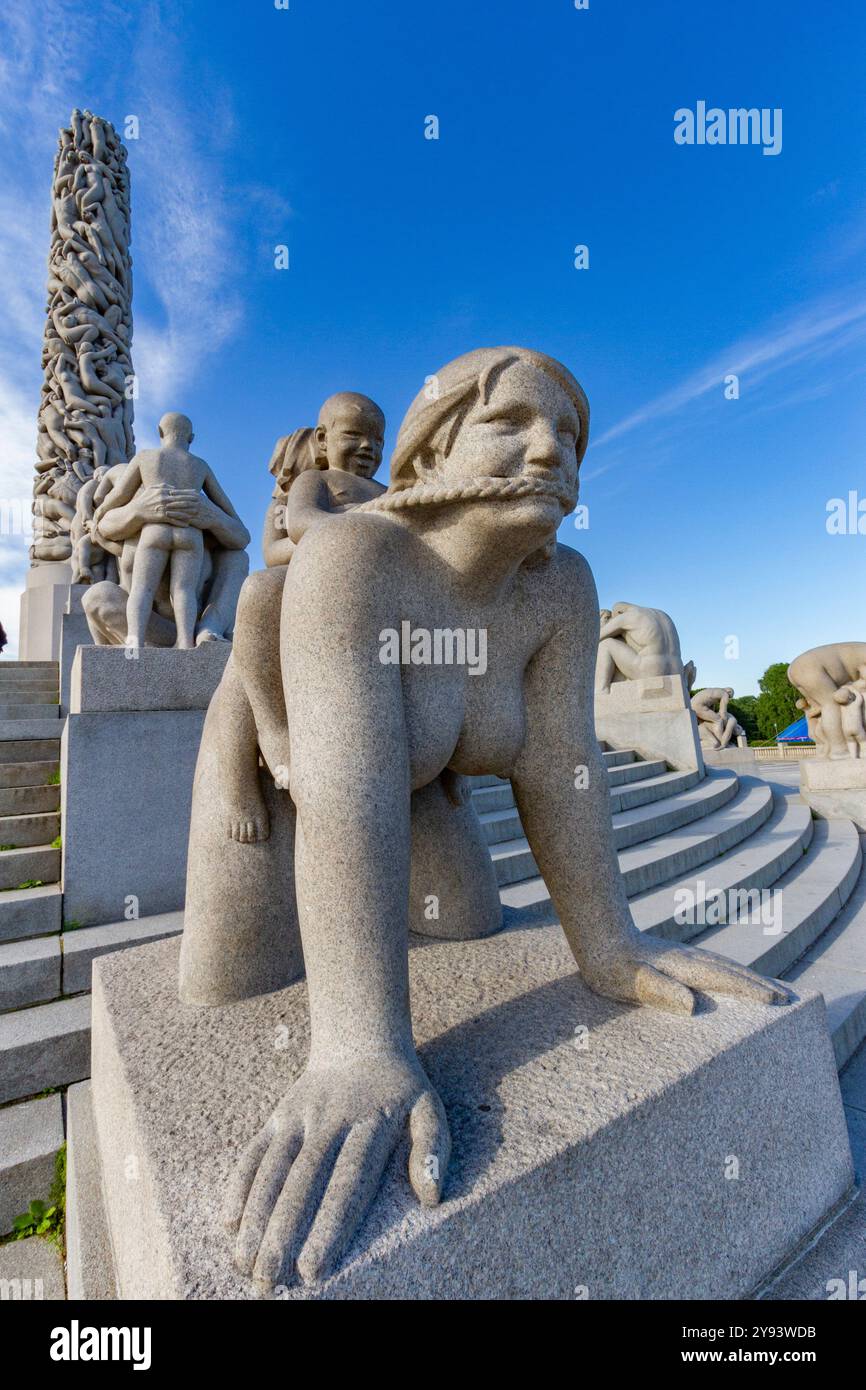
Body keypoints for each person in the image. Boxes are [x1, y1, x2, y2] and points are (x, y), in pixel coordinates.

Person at [183, 347, 790, 1292]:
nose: (552, 452)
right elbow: (343, 791)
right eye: (511, 423)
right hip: (282, 778)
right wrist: (358, 1046)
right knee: (230, 986)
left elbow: (561, 766)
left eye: (571, 436)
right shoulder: (354, 560)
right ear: (431, 457)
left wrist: (609, 942)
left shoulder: (560, 590)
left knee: (467, 919)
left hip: (419, 785)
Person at [222, 392, 385, 840]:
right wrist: (358, 527)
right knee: (259, 595)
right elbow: (287, 538)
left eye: (378, 440)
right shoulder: (314, 483)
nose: (368, 447)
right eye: (355, 435)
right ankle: (274, 729)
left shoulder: (389, 493)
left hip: (373, 601)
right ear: (322, 439)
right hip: (306, 590)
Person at [92, 412, 244, 648]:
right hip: (189, 533)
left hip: (155, 533)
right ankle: (184, 642)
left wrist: (101, 510)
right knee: (183, 590)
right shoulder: (200, 466)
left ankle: (137, 640)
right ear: (191, 438)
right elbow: (228, 507)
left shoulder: (145, 458)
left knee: (142, 589)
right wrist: (137, 510)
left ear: (160, 433)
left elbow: (118, 495)